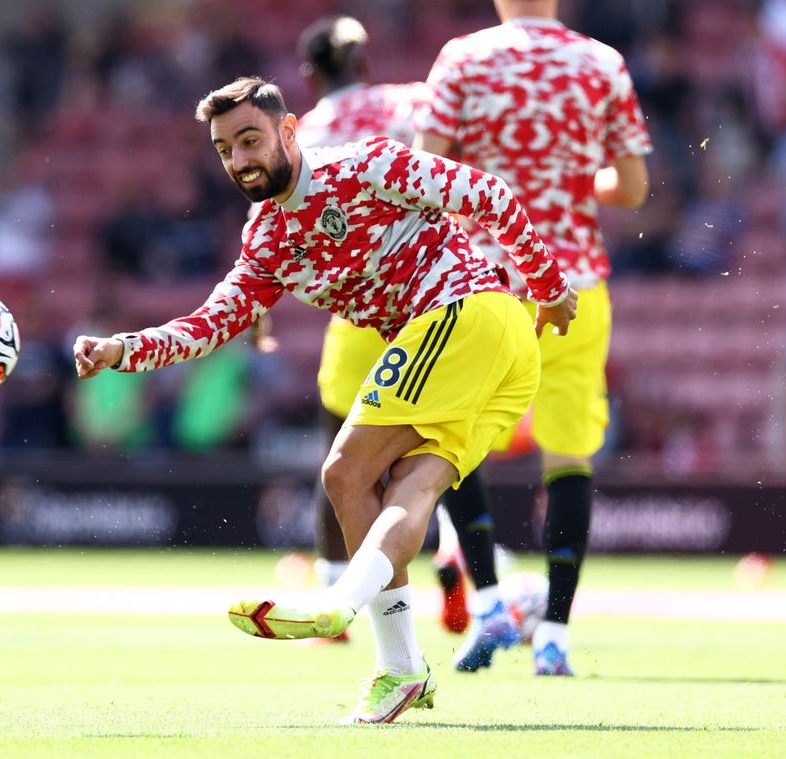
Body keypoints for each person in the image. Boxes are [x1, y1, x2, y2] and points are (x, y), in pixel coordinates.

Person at [73, 77, 576, 724]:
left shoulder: (367, 165)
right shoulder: (267, 241)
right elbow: (210, 324)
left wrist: (548, 286)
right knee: (409, 486)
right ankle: (401, 669)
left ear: (288, 130)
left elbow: (490, 196)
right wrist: (123, 349)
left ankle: (342, 605)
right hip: (492, 355)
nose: (240, 160)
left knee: (345, 471)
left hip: (465, 315)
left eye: (250, 140)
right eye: (225, 150)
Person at [414, 0, 652, 676]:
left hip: (485, 283)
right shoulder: (602, 62)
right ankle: (554, 636)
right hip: (576, 287)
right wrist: (567, 182)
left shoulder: (463, 57)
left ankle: (489, 601)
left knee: (455, 440)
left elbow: (422, 175)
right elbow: (634, 187)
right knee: (569, 455)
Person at [294, 15, 500, 641]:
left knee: (342, 459)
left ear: (310, 75)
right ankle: (455, 560)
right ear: (364, 61)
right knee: (441, 453)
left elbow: (284, 223)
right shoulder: (411, 102)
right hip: (430, 300)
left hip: (358, 313)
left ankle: (335, 598)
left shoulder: (306, 132)